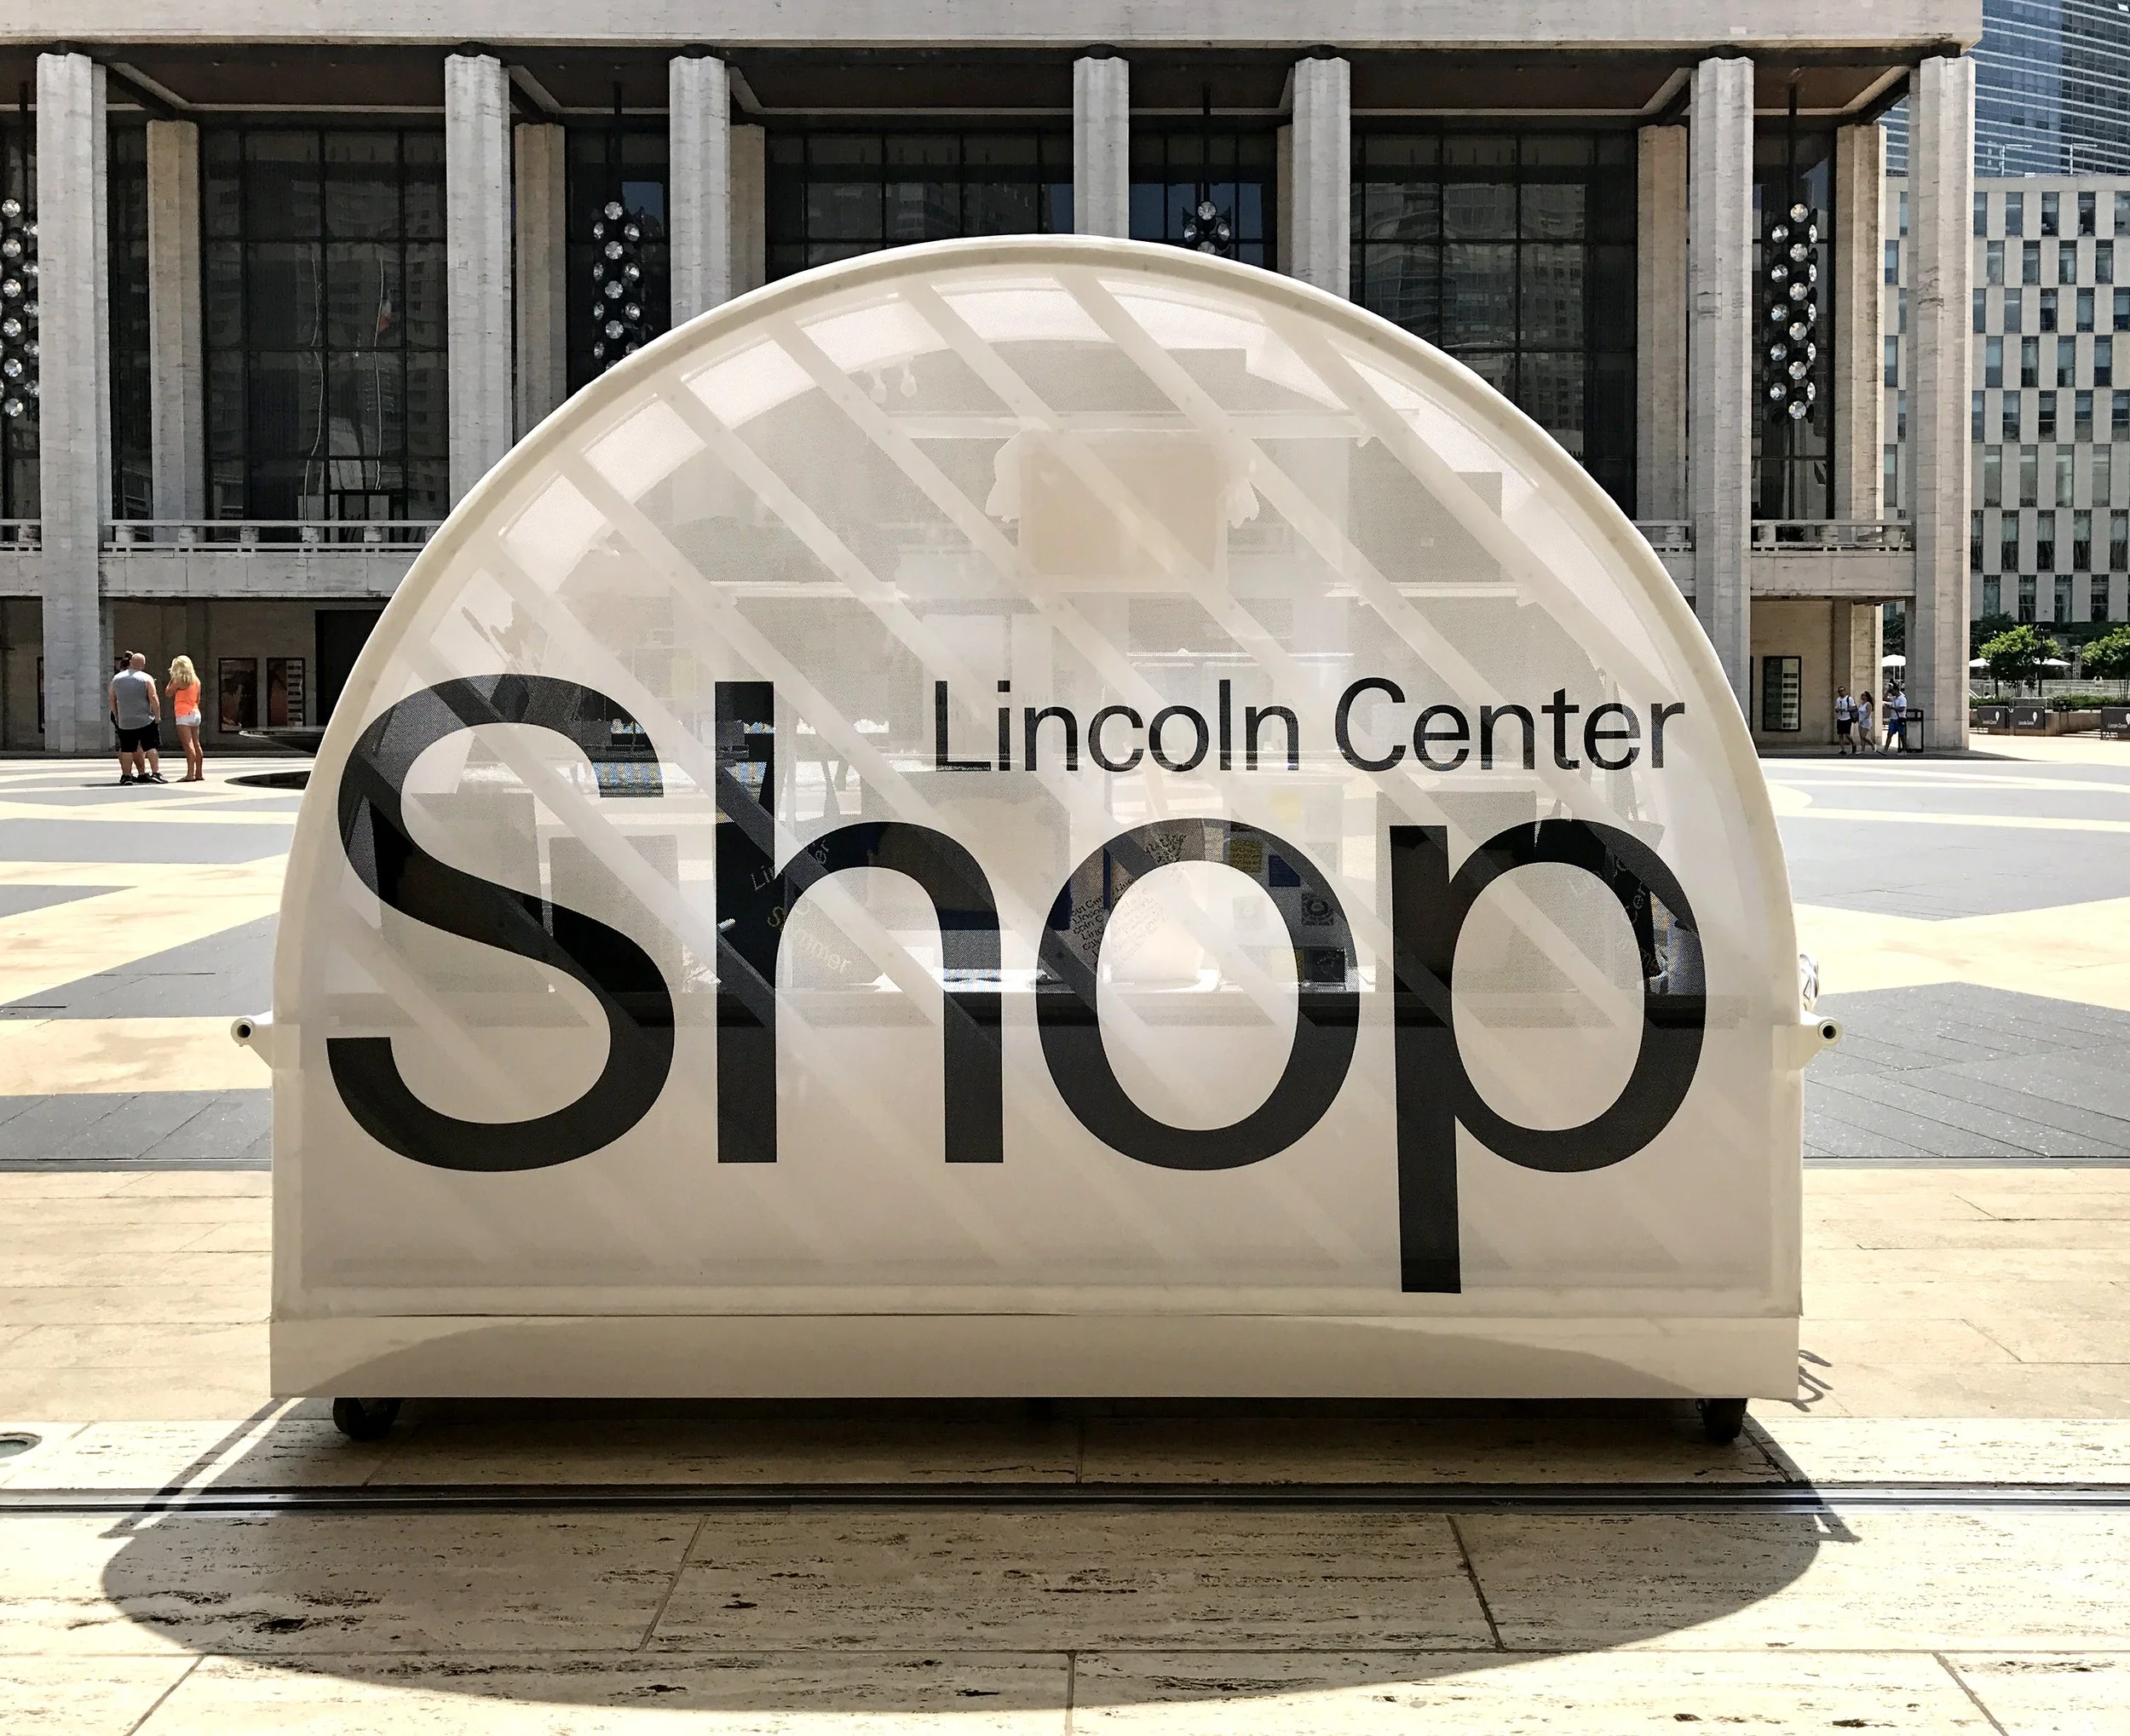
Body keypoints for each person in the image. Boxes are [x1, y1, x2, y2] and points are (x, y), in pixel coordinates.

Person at [108, 651, 164, 785]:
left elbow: (112, 699)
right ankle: (155, 773)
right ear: (143, 665)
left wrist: (117, 715)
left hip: (125, 720)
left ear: (131, 663)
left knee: (127, 748)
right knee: (150, 747)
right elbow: (153, 698)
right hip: (145, 719)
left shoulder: (116, 679)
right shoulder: (146, 678)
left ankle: (126, 776)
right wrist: (157, 716)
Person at [167, 654, 204, 782]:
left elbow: (168, 693)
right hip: (195, 712)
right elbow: (198, 699)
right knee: (196, 743)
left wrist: (172, 679)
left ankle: (190, 774)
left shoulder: (178, 680)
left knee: (188, 745)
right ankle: (199, 772)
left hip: (183, 714)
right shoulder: (196, 680)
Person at [1885, 685, 1908, 754]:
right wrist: (1887, 691)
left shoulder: (1902, 699)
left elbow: (1902, 709)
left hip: (1900, 719)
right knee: (1889, 734)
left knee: (1902, 735)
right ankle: (1885, 749)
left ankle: (1904, 750)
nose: (1891, 692)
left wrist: (1893, 708)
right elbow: (1885, 699)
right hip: (1893, 719)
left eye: (1892, 691)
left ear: (1896, 690)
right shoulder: (1894, 698)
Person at [1834, 686, 1856, 755]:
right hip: (1840, 719)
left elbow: (1854, 707)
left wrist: (1845, 709)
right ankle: (1843, 749)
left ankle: (1853, 743)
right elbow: (1837, 708)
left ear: (1845, 691)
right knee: (1840, 735)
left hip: (1847, 718)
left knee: (1847, 734)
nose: (1841, 692)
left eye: (1842, 690)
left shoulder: (1849, 699)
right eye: (1839, 691)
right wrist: (1836, 709)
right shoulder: (1838, 700)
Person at [1857, 689, 1876, 755]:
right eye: (1861, 695)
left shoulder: (1868, 704)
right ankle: (1862, 749)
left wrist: (1863, 719)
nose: (1862, 696)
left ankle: (1872, 744)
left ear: (1866, 696)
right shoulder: (1861, 704)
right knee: (1861, 737)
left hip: (1866, 722)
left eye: (1863, 695)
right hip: (1860, 721)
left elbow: (1868, 713)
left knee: (1864, 736)